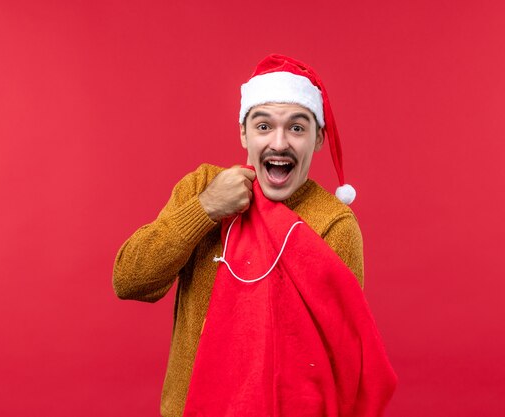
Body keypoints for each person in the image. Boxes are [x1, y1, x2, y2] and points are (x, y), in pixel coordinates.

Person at [113, 54, 369, 417]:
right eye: (264, 126)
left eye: (297, 128)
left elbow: (342, 362)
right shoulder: (204, 186)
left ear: (318, 139)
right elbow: (129, 280)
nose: (279, 143)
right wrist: (204, 209)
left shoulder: (333, 223)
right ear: (243, 132)